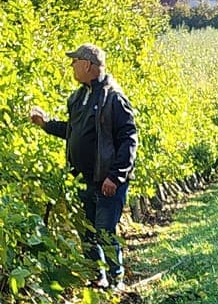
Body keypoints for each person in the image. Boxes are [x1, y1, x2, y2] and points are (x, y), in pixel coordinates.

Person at [30, 44, 138, 288]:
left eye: (75, 61)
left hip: (107, 180)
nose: (72, 66)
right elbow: (73, 131)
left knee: (105, 231)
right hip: (82, 179)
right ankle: (97, 277)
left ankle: (115, 278)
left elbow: (129, 138)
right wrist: (45, 124)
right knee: (87, 231)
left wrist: (116, 176)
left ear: (88, 64)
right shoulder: (79, 97)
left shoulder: (113, 98)